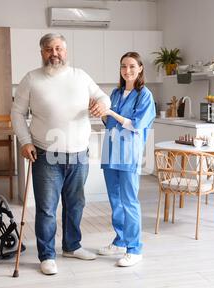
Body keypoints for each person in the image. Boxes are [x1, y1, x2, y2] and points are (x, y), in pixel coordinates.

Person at [11, 33, 111, 275]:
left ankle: (71, 246)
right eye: (48, 49)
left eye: (58, 48)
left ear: (65, 51)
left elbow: (102, 96)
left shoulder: (81, 76)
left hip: (79, 154)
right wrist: (24, 141)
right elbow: (16, 112)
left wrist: (102, 105)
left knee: (76, 204)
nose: (54, 53)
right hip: (46, 155)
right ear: (42, 53)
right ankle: (47, 255)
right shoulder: (31, 79)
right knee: (46, 208)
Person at [92, 52, 156, 267]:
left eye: (131, 66)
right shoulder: (116, 92)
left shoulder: (144, 95)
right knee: (115, 200)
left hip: (129, 154)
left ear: (140, 69)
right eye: (123, 66)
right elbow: (109, 122)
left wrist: (110, 111)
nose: (127, 70)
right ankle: (120, 240)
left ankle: (135, 248)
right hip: (111, 152)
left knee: (129, 201)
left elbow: (135, 124)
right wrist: (101, 112)